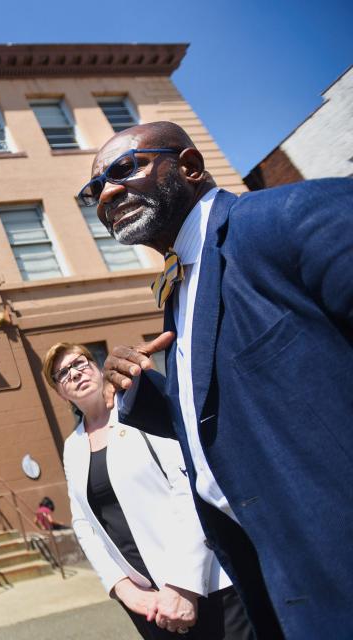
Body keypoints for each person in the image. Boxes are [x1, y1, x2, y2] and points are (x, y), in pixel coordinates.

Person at [82, 121, 353, 639]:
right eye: (94, 189)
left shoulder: (285, 220)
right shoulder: (180, 287)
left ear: (188, 166)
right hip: (279, 584)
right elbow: (235, 411)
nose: (106, 193)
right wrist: (140, 390)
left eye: (124, 169)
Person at [45, 342, 251, 639]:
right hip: (149, 604)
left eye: (80, 363)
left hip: (205, 585)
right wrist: (122, 588)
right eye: (63, 374)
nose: (75, 374)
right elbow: (83, 525)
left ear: (96, 365)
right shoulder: (72, 448)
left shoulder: (136, 409)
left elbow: (188, 487)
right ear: (59, 391)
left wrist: (182, 585)